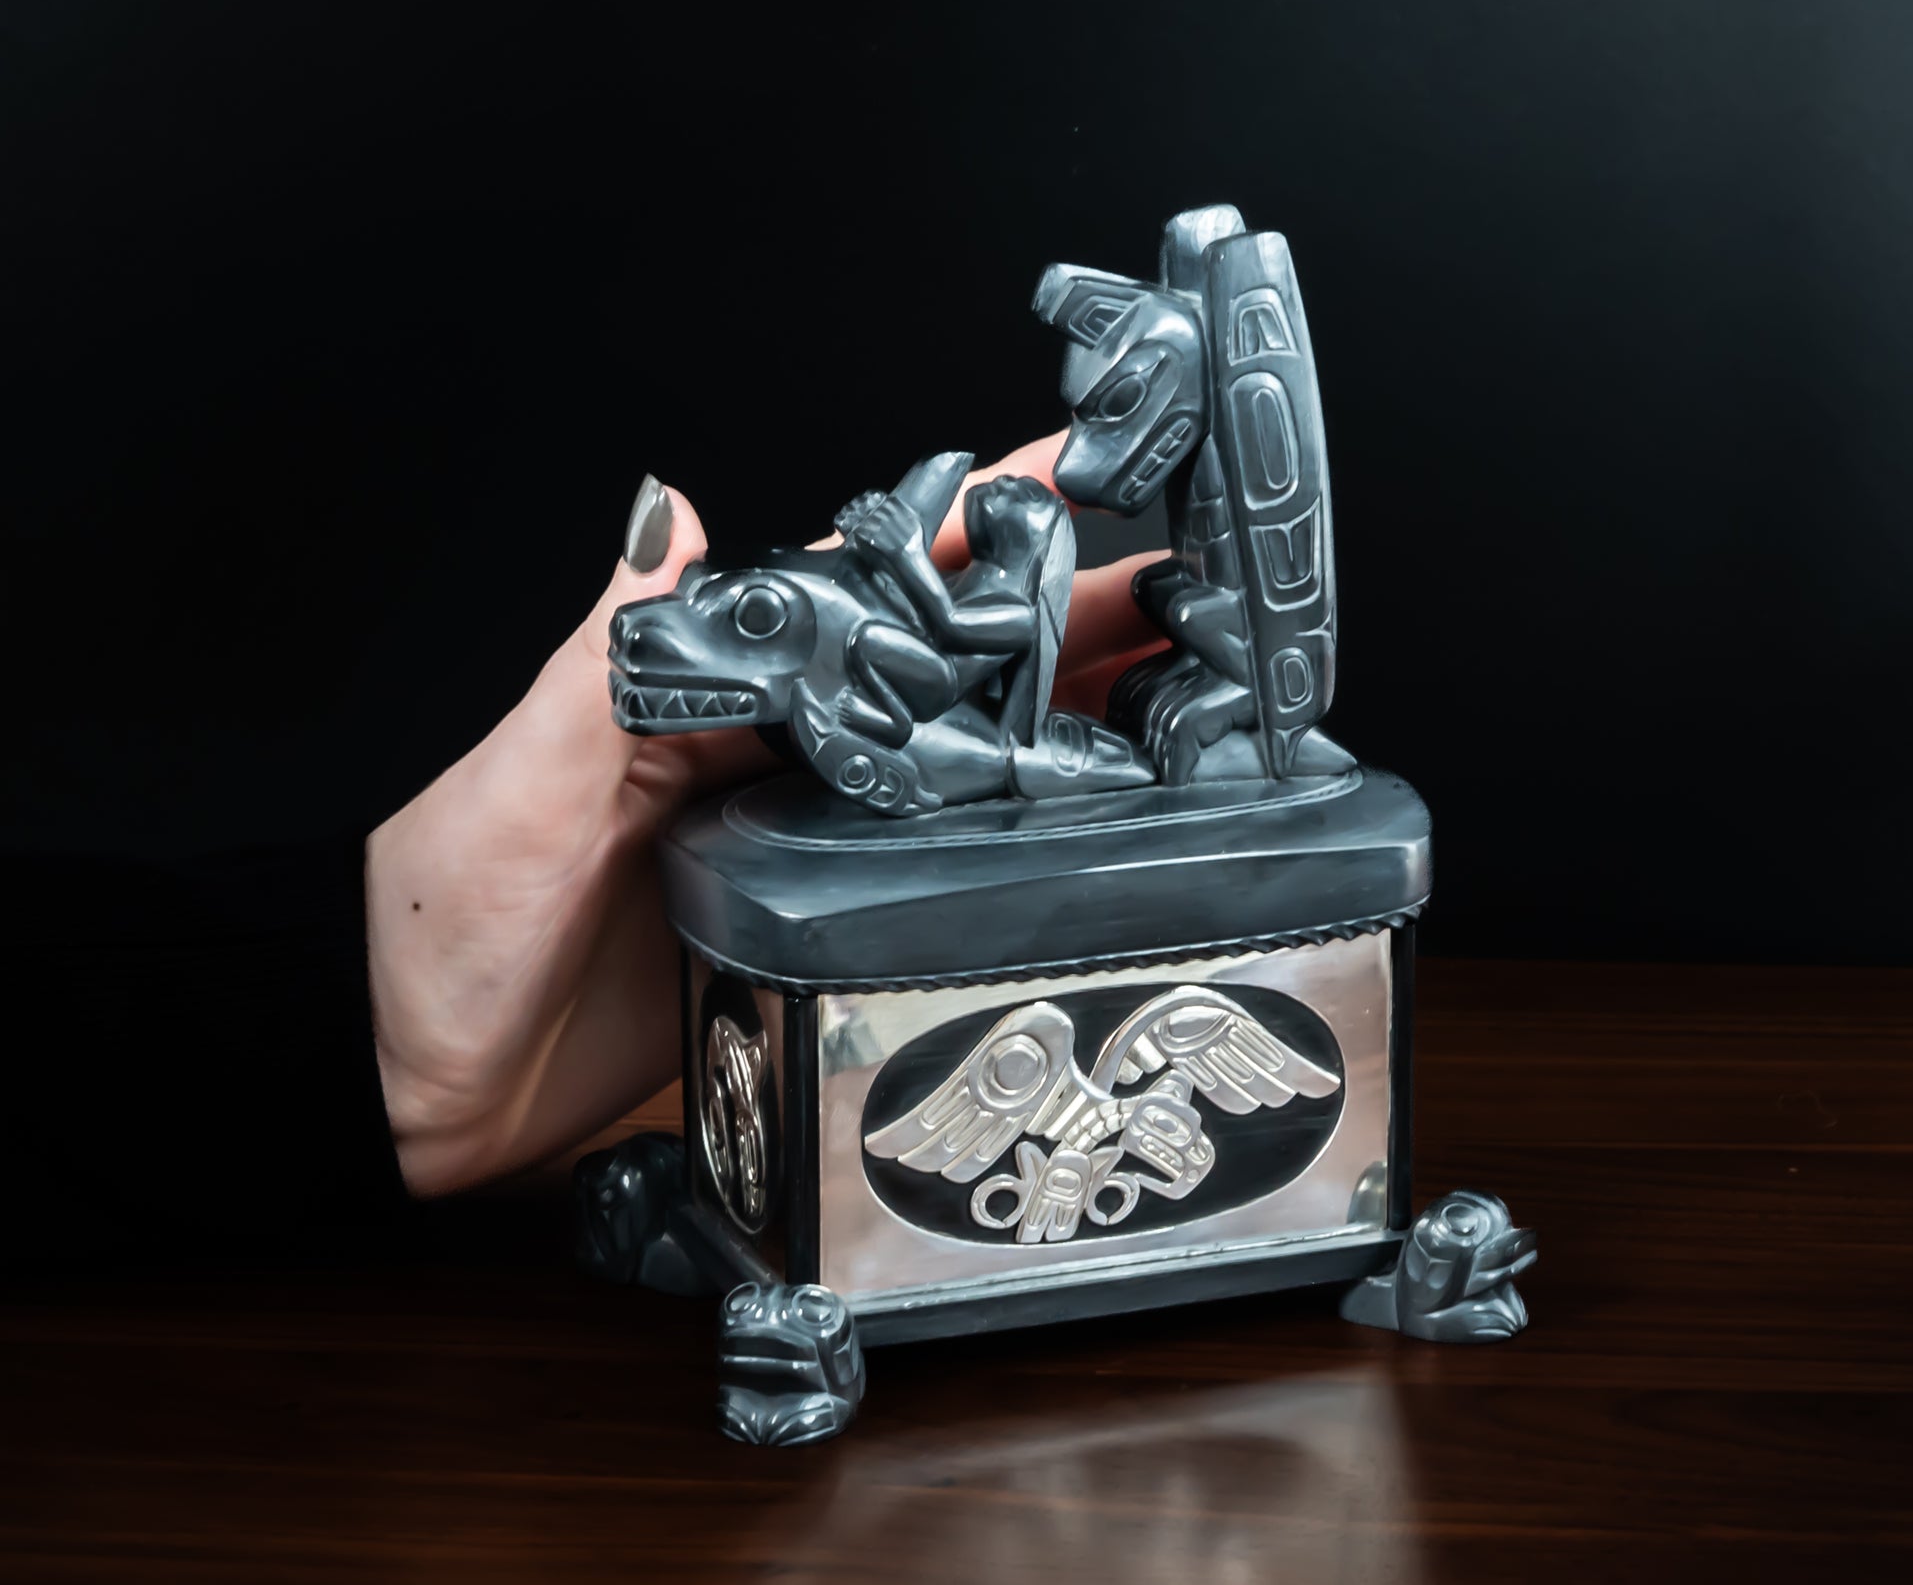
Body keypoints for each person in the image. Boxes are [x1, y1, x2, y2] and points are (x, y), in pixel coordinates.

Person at [5, 435, 1160, 1269]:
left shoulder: (958, 607)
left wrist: (903, 560)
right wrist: (375, 1022)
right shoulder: (910, 608)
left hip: (963, 747)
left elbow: (953, 641)